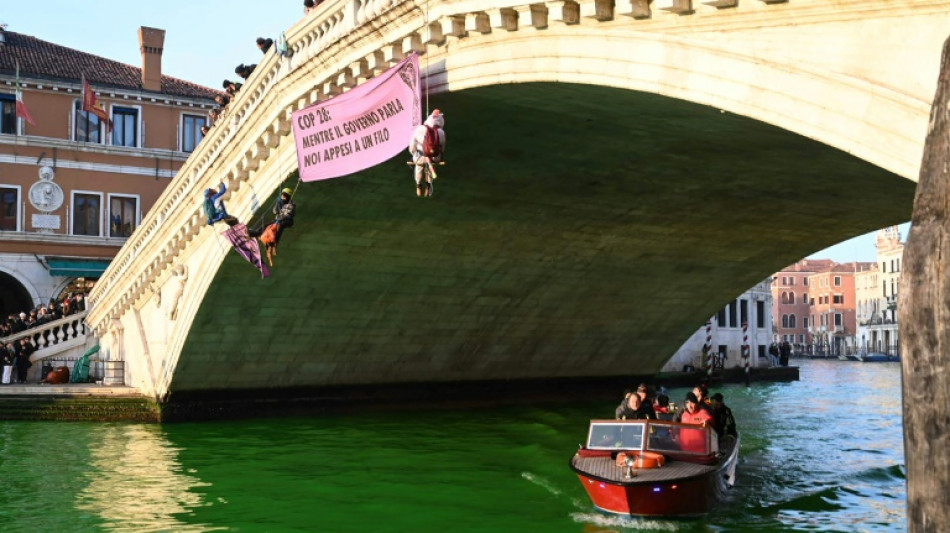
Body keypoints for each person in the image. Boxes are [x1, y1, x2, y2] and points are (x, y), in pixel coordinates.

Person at [249, 187, 296, 266]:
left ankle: (275, 243)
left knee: (280, 225)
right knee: (265, 226)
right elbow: (275, 211)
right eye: (282, 195)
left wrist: (279, 218)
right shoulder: (281, 202)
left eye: (285, 195)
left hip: (288, 221)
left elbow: (288, 214)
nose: (283, 197)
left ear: (288, 196)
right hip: (277, 221)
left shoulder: (291, 204)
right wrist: (278, 203)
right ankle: (251, 233)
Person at [408, 109, 446, 197]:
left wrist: (413, 153)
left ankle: (418, 185)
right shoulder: (441, 132)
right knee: (432, 166)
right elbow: (442, 148)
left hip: (420, 156)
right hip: (434, 157)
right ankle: (428, 186)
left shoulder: (420, 129)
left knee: (419, 167)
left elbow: (412, 146)